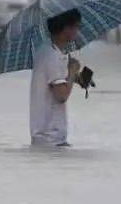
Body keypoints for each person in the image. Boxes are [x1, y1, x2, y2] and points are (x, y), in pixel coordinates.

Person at [30, 9, 82, 147]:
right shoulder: (52, 56)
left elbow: (59, 81)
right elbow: (61, 95)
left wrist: (75, 75)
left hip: (48, 139)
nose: (78, 31)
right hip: (50, 140)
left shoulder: (48, 51)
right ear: (66, 28)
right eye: (76, 26)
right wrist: (71, 72)